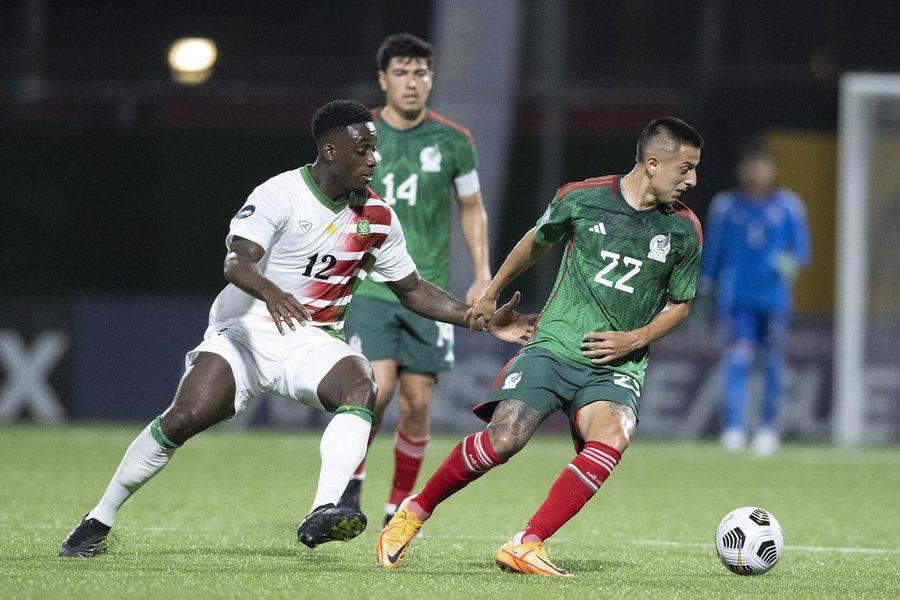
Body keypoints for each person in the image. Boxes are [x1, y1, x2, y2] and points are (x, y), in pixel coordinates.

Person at [58, 99, 533, 558]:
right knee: (183, 418)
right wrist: (271, 291)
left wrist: (481, 320)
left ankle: (324, 507)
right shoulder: (279, 194)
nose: (374, 159)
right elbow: (236, 261)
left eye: (374, 149)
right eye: (362, 150)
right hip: (243, 333)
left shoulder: (378, 218)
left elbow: (413, 291)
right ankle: (99, 518)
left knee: (360, 385)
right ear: (330, 151)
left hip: (311, 339)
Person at [376, 117, 705, 576]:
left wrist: (636, 338)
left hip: (616, 365)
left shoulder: (684, 230)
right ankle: (415, 510)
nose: (692, 180)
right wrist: (490, 293)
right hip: (554, 345)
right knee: (505, 439)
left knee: (612, 437)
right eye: (685, 168)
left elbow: (680, 304)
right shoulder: (582, 197)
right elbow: (535, 242)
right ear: (652, 163)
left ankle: (527, 543)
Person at [340, 33, 492, 524]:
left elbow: (472, 208)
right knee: (377, 388)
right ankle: (349, 489)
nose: (413, 82)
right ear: (383, 79)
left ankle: (396, 509)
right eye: (402, 73)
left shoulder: (453, 141)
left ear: (431, 79)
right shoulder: (358, 134)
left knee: (417, 402)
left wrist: (483, 273)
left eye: (421, 73)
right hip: (369, 284)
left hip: (430, 289)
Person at [699, 145, 810, 455]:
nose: (756, 172)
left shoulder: (788, 206)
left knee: (773, 365)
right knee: (737, 361)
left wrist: (788, 264)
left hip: (774, 301)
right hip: (736, 300)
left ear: (773, 170)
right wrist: (705, 288)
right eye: (751, 165)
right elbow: (714, 252)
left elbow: (800, 250)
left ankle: (767, 429)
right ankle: (734, 428)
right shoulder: (725, 206)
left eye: (762, 165)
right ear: (741, 170)